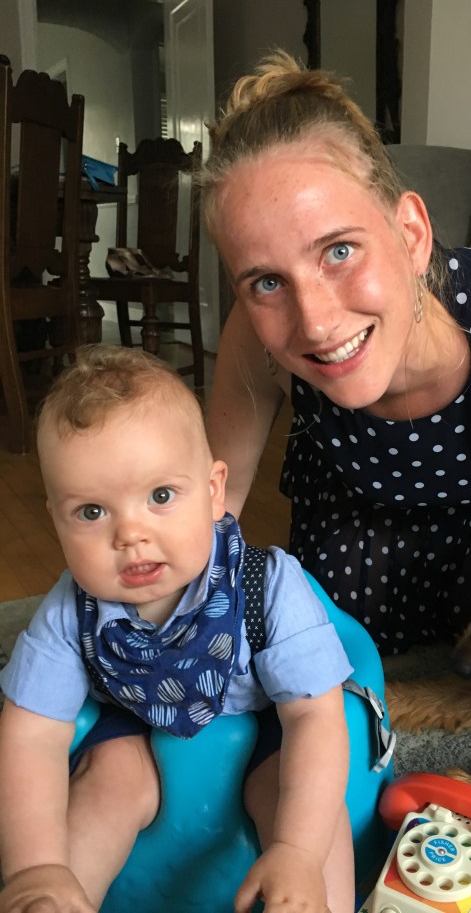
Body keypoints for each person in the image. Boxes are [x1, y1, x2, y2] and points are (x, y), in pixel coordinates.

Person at [202, 51, 471, 657]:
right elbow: (213, 508)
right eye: (267, 282)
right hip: (350, 564)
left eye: (339, 251)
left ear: (411, 234)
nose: (317, 323)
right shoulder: (255, 336)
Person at [0, 345, 354, 913]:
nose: (129, 535)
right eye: (91, 512)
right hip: (135, 728)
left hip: (265, 723)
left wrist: (298, 851)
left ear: (214, 492)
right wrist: (33, 867)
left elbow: (315, 716)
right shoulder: (71, 611)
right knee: (105, 786)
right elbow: (31, 734)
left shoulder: (266, 583)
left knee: (307, 807)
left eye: (160, 496)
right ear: (56, 520)